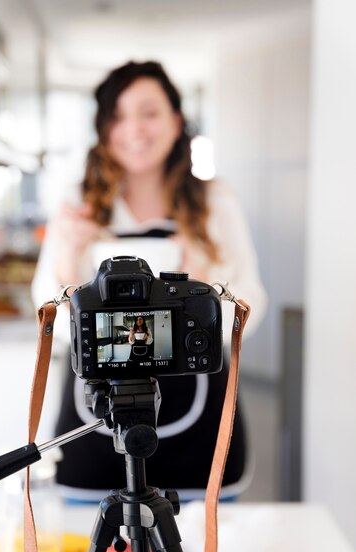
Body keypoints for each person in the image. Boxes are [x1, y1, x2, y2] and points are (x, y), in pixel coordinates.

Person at [32, 60, 267, 501]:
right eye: (118, 116)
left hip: (201, 417)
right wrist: (66, 256)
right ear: (103, 128)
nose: (134, 129)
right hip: (95, 422)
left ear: (177, 121)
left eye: (149, 112)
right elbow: (48, 319)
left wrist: (201, 288)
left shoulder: (216, 202)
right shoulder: (78, 204)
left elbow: (252, 303)